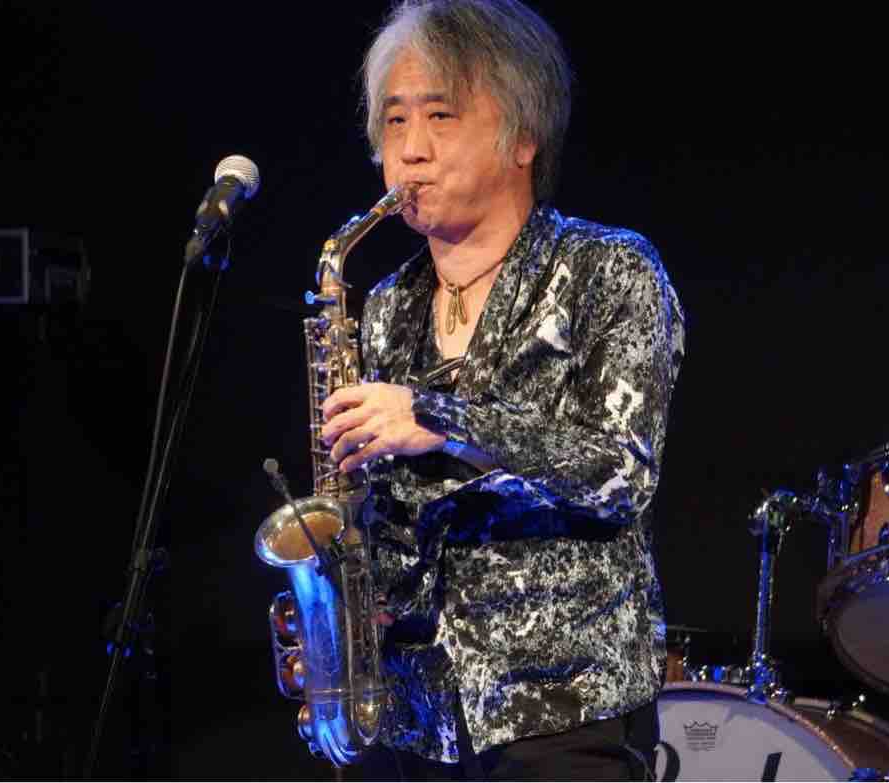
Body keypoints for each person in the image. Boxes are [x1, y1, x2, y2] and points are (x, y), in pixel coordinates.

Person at [318, 1, 684, 779]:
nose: (410, 150)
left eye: (440, 116)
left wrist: (437, 417)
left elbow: (619, 469)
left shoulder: (608, 271)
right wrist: (341, 594)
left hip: (562, 706)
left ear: (522, 137)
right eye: (394, 121)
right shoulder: (385, 305)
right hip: (416, 717)